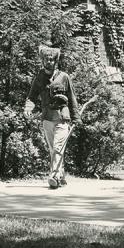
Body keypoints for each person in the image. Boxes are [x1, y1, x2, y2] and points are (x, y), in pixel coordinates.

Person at [24, 42, 82, 189]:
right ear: (42, 61)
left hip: (63, 119)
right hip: (47, 119)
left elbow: (72, 97)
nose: (48, 62)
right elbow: (31, 96)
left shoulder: (64, 77)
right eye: (46, 60)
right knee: (53, 149)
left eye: (51, 60)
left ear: (55, 61)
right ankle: (60, 175)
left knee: (58, 147)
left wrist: (76, 118)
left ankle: (53, 176)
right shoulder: (39, 78)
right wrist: (28, 108)